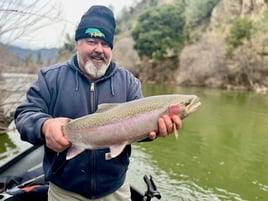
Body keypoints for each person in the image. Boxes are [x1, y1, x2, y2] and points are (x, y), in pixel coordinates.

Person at [14, 5, 182, 201]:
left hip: (114, 189)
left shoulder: (129, 83)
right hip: (64, 191)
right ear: (77, 43)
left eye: (105, 44)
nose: (99, 50)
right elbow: (25, 115)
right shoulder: (51, 78)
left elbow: (138, 129)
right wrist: (44, 126)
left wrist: (154, 130)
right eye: (92, 41)